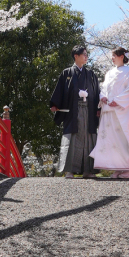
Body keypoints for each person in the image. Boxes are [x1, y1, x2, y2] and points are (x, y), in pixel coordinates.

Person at [49, 44, 101, 178]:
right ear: (76, 56)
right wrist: (55, 104)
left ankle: (88, 170)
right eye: (83, 54)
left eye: (86, 54)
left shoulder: (90, 74)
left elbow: (96, 92)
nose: (86, 56)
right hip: (73, 111)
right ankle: (70, 170)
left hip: (88, 110)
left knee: (88, 139)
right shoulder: (67, 73)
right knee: (72, 140)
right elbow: (60, 90)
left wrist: (98, 108)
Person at [91, 47, 129, 179]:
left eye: (114, 56)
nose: (112, 58)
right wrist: (103, 97)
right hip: (108, 109)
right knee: (111, 138)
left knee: (122, 138)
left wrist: (117, 101)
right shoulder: (109, 72)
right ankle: (117, 168)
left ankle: (126, 170)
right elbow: (104, 88)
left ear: (121, 56)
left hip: (121, 110)